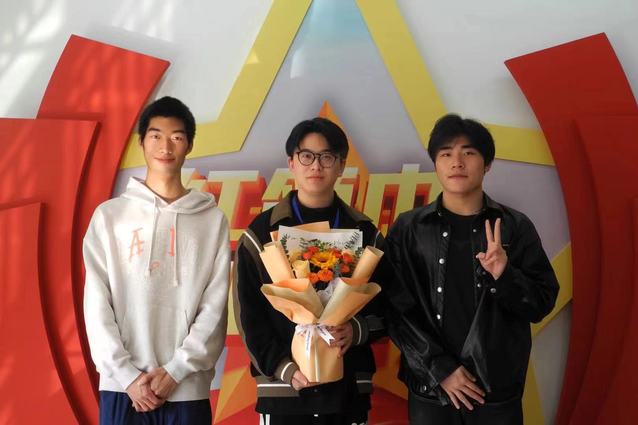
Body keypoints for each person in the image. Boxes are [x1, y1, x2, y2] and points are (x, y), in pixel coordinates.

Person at [385, 113, 559, 424]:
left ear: (487, 163)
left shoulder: (514, 226)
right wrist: (440, 368)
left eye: (469, 153)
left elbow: (541, 302)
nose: (457, 162)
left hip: (495, 392)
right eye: (446, 154)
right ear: (435, 163)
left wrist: (505, 275)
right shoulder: (409, 229)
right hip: (431, 389)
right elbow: (394, 308)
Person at [83, 96, 230, 424]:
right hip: (123, 388)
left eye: (176, 137)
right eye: (156, 136)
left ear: (189, 145)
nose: (165, 146)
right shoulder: (110, 217)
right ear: (141, 143)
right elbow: (96, 303)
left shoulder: (211, 221)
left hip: (186, 388)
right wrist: (127, 376)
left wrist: (176, 370)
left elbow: (215, 306)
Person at [233, 117, 386, 425]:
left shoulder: (365, 233)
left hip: (347, 387)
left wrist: (356, 330)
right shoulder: (261, 233)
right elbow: (248, 313)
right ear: (291, 162)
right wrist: (281, 367)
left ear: (341, 166)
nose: (316, 165)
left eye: (327, 157)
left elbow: (389, 304)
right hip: (284, 392)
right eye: (306, 156)